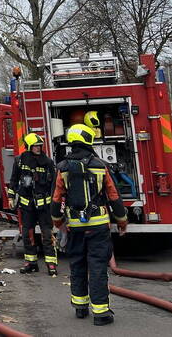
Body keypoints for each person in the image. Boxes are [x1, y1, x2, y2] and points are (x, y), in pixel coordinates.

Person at [50, 124, 128, 327]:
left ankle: (80, 308)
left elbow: (56, 201)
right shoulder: (100, 166)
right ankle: (101, 313)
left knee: (77, 265)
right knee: (98, 267)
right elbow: (113, 196)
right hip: (99, 227)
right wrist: (121, 221)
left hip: (75, 227)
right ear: (88, 140)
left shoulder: (62, 167)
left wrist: (59, 224)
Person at [9, 133, 58, 276]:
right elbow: (13, 180)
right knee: (27, 234)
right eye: (35, 146)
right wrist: (11, 197)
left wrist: (55, 202)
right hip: (27, 204)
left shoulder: (48, 162)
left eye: (39, 146)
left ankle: (51, 264)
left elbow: (54, 184)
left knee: (47, 234)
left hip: (44, 205)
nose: (38, 148)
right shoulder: (20, 161)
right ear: (29, 147)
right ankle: (31, 263)